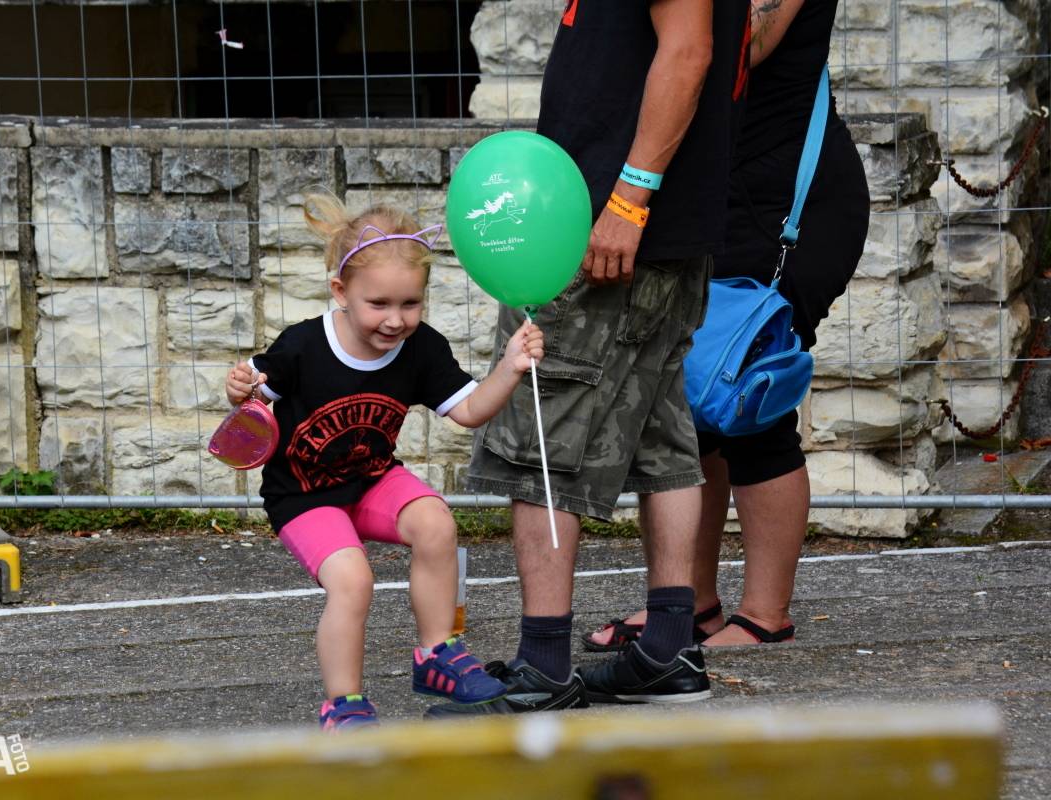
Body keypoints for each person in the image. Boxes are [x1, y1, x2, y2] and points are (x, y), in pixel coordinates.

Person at [428, 0, 751, 717]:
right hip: (659, 228)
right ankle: (668, 648)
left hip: (605, 228)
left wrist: (629, 201)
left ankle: (542, 667)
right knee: (662, 437)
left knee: (542, 425)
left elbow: (690, 53)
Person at [582, 0, 870, 651]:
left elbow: (754, 40)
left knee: (749, 400)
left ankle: (764, 615)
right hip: (714, 193)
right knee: (687, 410)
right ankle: (689, 604)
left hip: (784, 203)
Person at [224, 194, 545, 730]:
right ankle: (344, 706)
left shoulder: (422, 349)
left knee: (436, 523)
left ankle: (438, 656)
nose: (396, 321)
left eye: (410, 304)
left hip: (371, 481)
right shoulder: (304, 345)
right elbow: (252, 403)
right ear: (340, 293)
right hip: (303, 497)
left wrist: (510, 368)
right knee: (353, 579)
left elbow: (468, 411)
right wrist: (239, 389)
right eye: (379, 304)